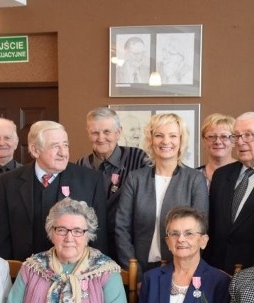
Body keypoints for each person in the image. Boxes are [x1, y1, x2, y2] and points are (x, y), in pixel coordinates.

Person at [0, 121, 108, 260]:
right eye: (55, 146)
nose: (63, 153)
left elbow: (100, 236)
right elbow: (3, 237)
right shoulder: (9, 182)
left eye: (65, 145)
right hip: (24, 272)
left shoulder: (90, 180)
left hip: (75, 273)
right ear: (35, 150)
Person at [115, 113, 208, 272]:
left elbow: (199, 230)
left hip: (182, 269)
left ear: (181, 140)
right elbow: (121, 228)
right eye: (159, 135)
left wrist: (182, 270)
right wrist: (134, 270)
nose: (166, 141)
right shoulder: (135, 179)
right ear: (151, 140)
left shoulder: (195, 180)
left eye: (173, 136)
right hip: (140, 269)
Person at [204, 112, 254, 274]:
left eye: (248, 135)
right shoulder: (222, 175)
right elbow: (213, 227)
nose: (240, 142)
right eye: (236, 136)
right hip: (218, 272)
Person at [76, 108, 149, 258]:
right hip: (91, 250)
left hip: (130, 247)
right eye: (95, 132)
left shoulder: (138, 158)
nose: (101, 138)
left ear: (119, 132)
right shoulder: (80, 166)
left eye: (107, 132)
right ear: (88, 133)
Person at [197, 113, 236, 185]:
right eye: (211, 136)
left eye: (224, 137)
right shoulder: (193, 176)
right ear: (204, 142)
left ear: (234, 141)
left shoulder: (244, 174)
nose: (218, 142)